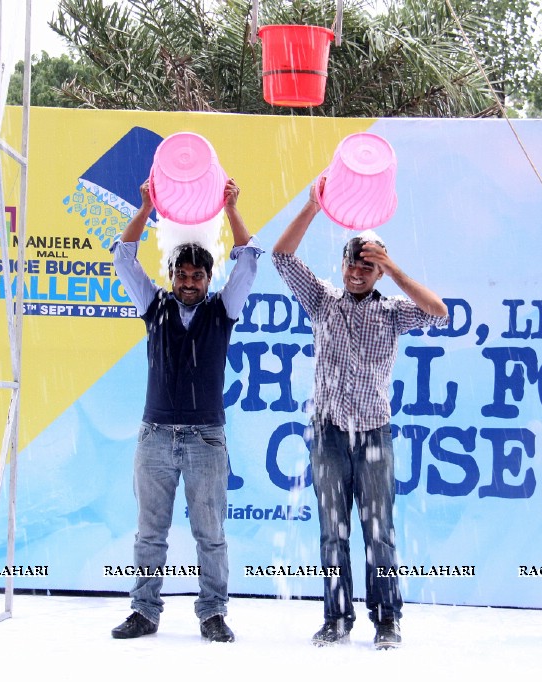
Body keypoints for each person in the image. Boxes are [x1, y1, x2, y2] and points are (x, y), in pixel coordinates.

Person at [271, 181, 449, 649]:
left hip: (373, 436)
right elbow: (282, 257)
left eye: (368, 266)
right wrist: (313, 206)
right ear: (344, 264)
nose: (358, 272)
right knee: (333, 532)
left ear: (377, 272)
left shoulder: (392, 313)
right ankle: (336, 619)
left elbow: (439, 313)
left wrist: (394, 268)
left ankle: (387, 620)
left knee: (379, 533)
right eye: (354, 262)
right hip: (328, 434)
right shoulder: (323, 302)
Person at [109, 177, 261, 643]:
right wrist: (146, 206)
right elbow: (122, 256)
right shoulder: (152, 306)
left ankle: (213, 613)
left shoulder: (223, 311)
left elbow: (250, 262)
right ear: (172, 276)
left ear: (208, 279)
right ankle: (144, 611)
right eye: (182, 275)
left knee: (210, 534)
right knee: (149, 532)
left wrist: (232, 209)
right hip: (154, 436)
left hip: (206, 439)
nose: (189, 283)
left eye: (198, 276)